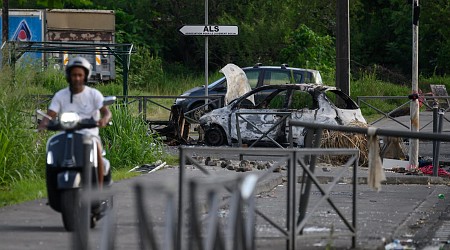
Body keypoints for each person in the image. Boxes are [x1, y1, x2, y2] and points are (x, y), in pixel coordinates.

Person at [38, 56, 112, 187]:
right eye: (73, 75)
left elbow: (106, 112)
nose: (77, 78)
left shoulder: (94, 94)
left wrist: (104, 119)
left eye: (80, 75)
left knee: (98, 152)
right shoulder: (60, 95)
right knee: (53, 153)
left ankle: (98, 191)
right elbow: (50, 114)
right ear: (68, 76)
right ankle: (53, 189)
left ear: (85, 76)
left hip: (90, 134)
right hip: (66, 134)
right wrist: (44, 123)